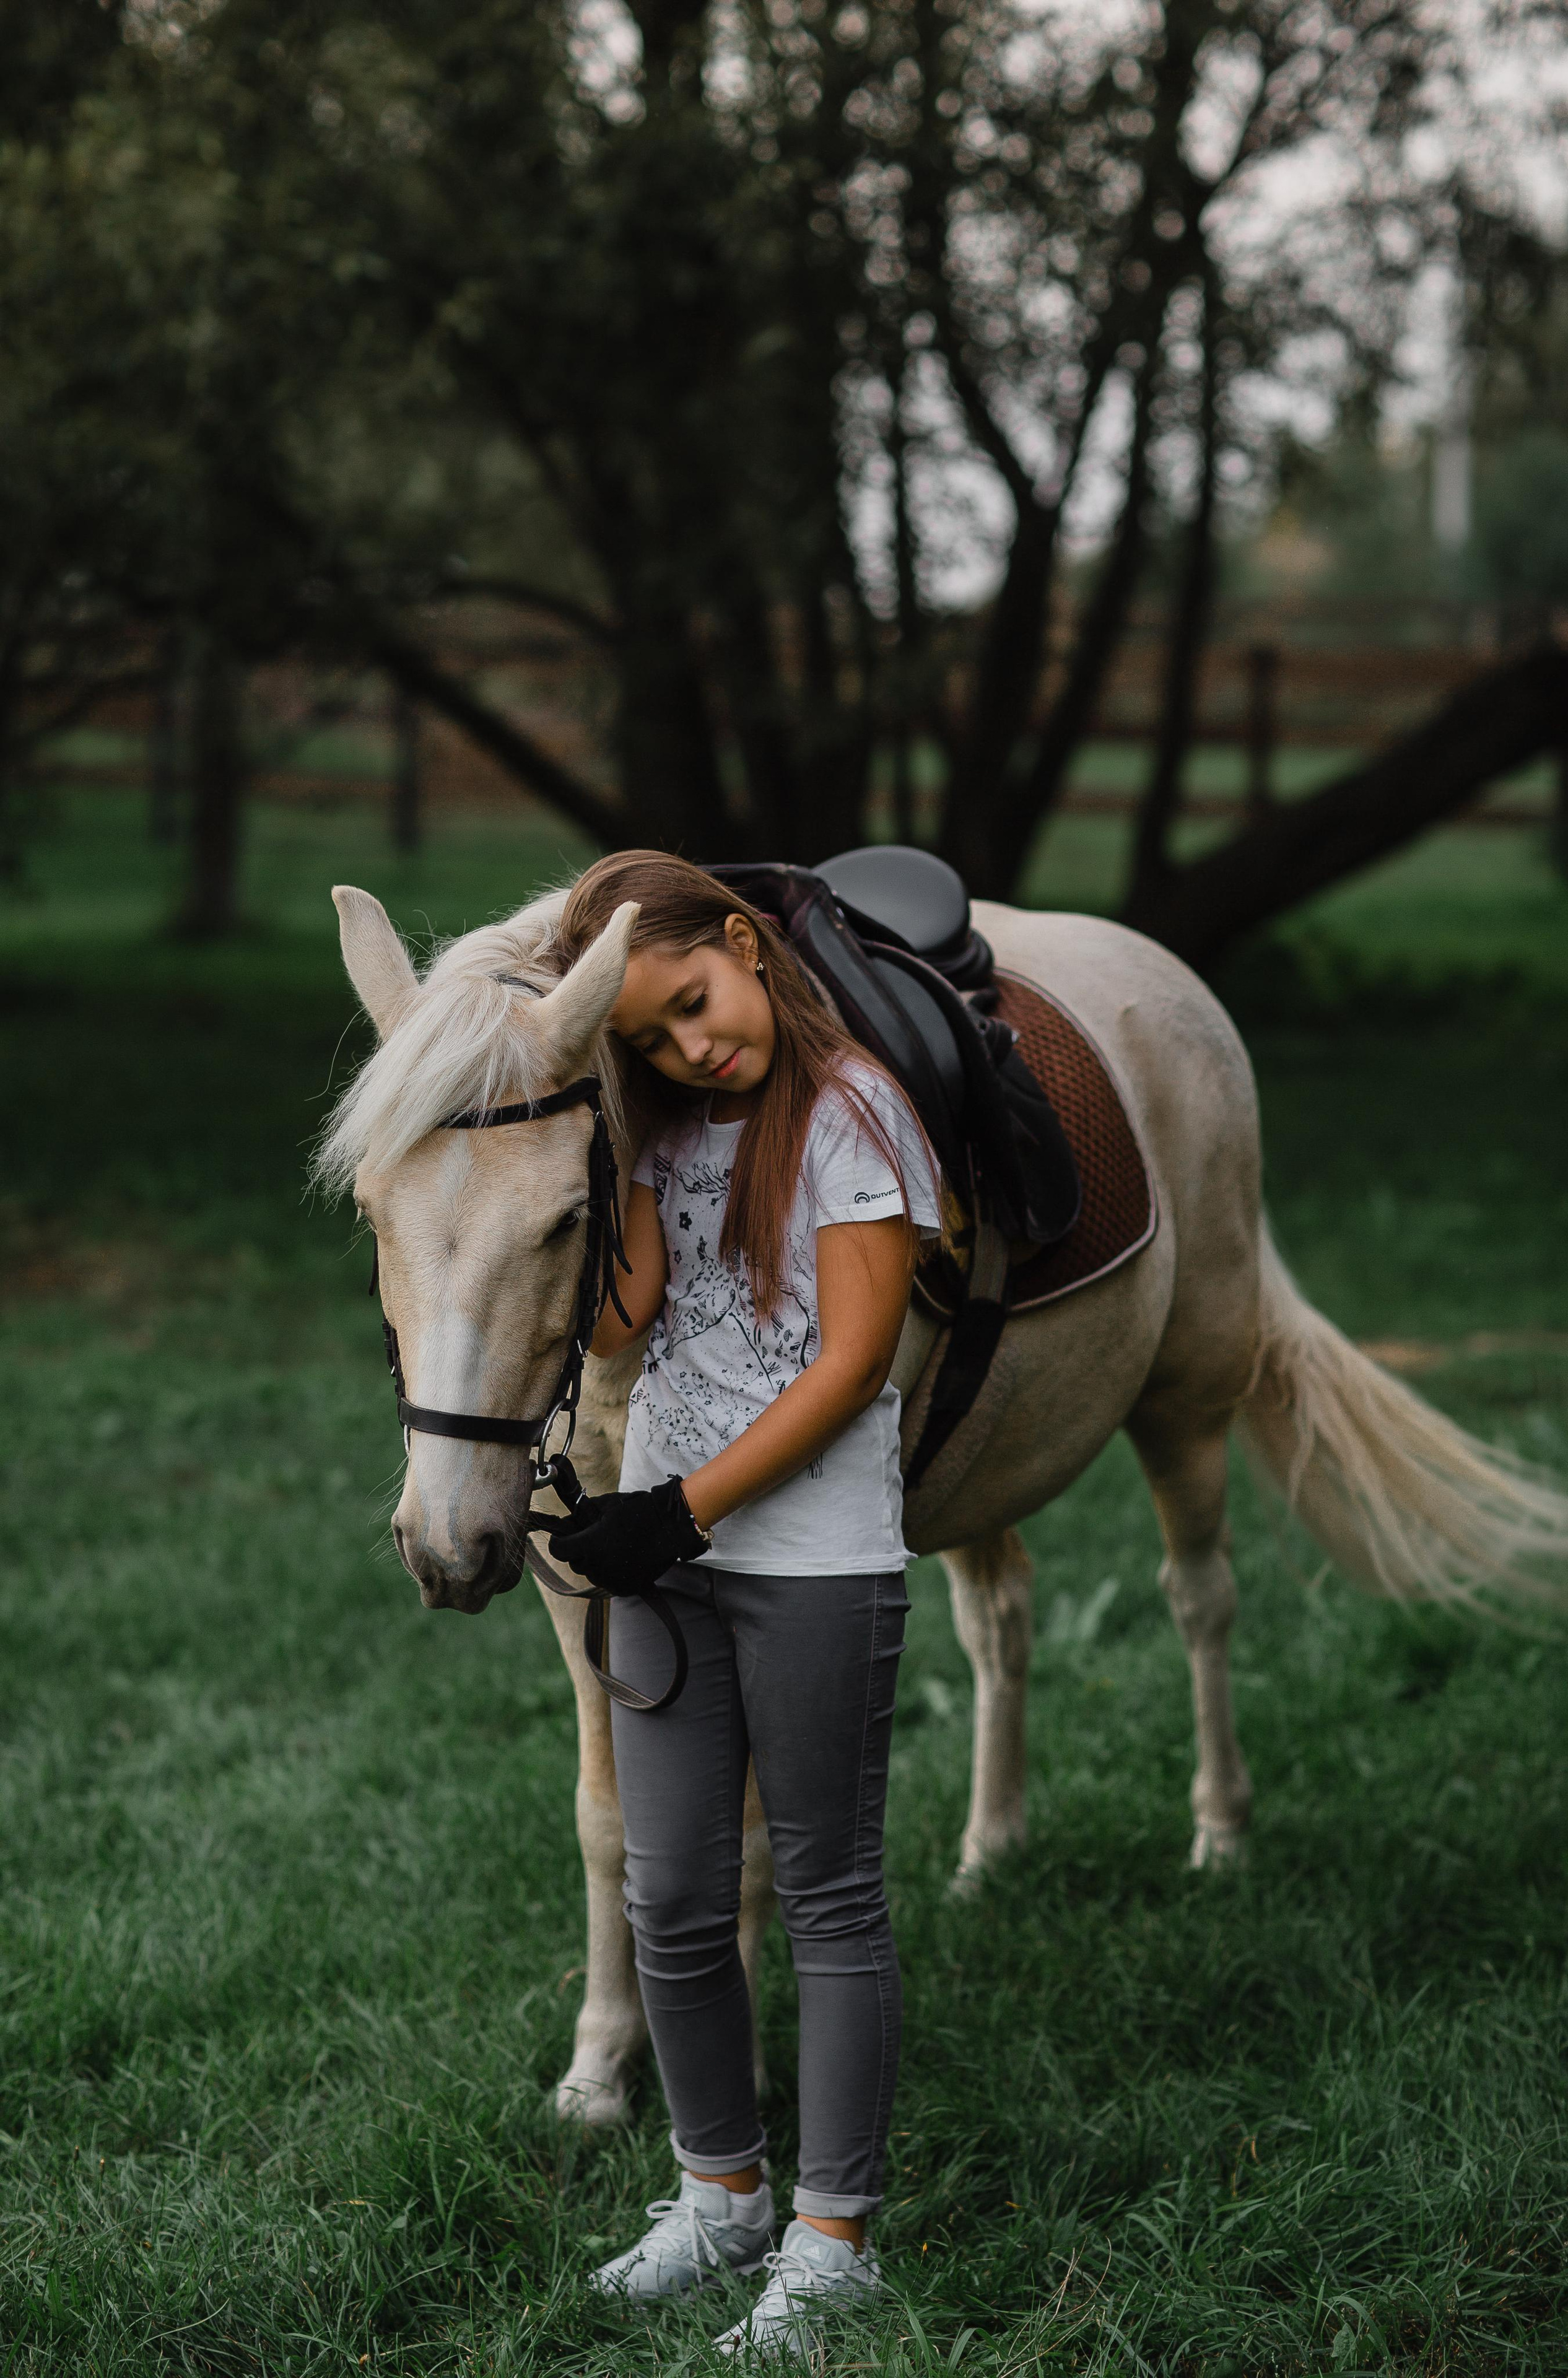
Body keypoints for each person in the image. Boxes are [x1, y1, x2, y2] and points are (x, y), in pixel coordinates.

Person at [542, 851, 939, 2359]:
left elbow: (850, 1367)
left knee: (827, 1893)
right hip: (669, 1560)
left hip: (810, 1562)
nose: (689, 1047)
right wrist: (586, 1153)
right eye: (647, 1038)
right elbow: (623, 1323)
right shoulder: (658, 1125)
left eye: (693, 1004)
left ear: (741, 943)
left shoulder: (855, 1115)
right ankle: (719, 2195)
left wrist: (677, 1511)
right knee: (668, 1892)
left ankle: (832, 2242)